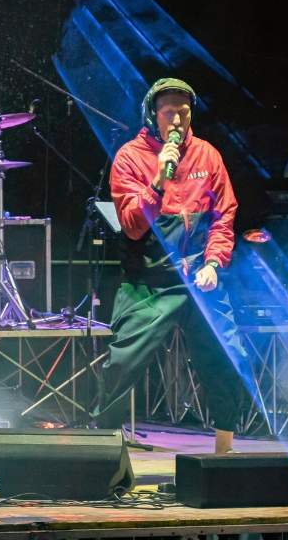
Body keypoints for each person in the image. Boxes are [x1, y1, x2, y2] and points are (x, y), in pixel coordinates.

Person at [94, 78, 248, 453]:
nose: (178, 120)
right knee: (122, 364)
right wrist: (158, 180)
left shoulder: (207, 155)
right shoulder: (130, 157)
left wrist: (214, 261)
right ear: (152, 115)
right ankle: (102, 448)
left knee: (230, 356)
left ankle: (224, 450)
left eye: (184, 111)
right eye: (169, 113)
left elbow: (223, 215)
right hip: (149, 279)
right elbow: (131, 226)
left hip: (198, 278)